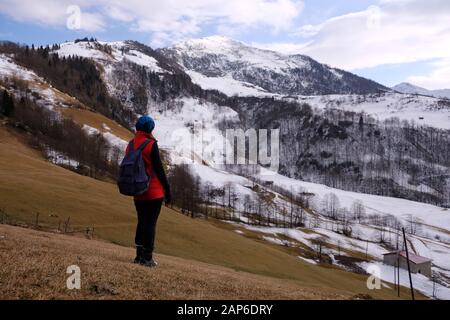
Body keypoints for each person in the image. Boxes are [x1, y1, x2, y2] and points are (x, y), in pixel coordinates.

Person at [125, 115, 171, 267]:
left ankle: (138, 256)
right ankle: (148, 258)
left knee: (141, 221)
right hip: (154, 191)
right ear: (151, 129)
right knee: (151, 223)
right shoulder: (151, 144)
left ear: (138, 127)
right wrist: (168, 189)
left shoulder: (131, 145)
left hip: (138, 191)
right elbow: (159, 169)